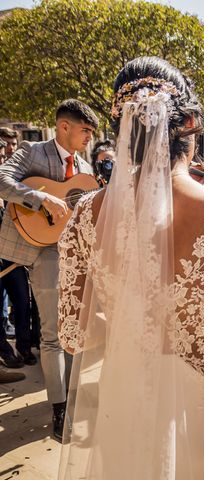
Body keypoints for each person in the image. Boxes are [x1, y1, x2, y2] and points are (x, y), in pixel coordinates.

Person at [57, 57, 204, 480]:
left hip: (125, 405)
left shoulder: (84, 216)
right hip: (203, 407)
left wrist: (131, 320)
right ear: (190, 124)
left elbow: (73, 337)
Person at [0, 99, 97, 441]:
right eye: (85, 130)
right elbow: (1, 179)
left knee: (75, 330)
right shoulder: (32, 150)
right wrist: (40, 199)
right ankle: (59, 409)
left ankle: (72, 399)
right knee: (53, 334)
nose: (89, 137)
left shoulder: (85, 169)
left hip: (74, 257)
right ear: (64, 127)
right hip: (41, 249)